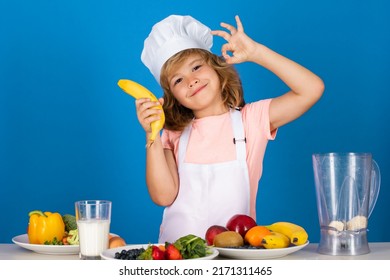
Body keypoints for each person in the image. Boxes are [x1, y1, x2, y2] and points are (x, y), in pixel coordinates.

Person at [137, 15, 324, 243]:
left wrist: (257, 53)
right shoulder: (173, 133)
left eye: (196, 67)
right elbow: (162, 196)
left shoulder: (251, 121)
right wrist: (152, 133)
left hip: (234, 260)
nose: (191, 81)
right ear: (173, 97)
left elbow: (311, 89)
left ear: (217, 68)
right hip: (178, 260)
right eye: (178, 80)